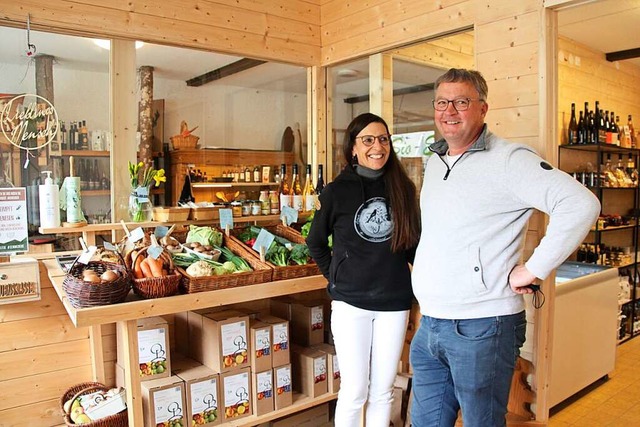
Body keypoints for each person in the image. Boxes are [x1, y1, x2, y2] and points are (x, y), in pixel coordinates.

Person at [410, 68, 600, 427]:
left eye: (461, 102)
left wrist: (533, 269)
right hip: (431, 322)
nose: (449, 111)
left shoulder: (510, 159)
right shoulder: (436, 161)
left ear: (482, 108)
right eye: (442, 102)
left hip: (482, 326)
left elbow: (581, 204)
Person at [306, 112, 420, 427]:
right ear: (354, 147)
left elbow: (413, 247)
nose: (377, 146)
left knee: (383, 391)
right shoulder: (335, 191)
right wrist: (337, 277)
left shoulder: (403, 189)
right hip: (350, 305)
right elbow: (315, 242)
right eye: (368, 140)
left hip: (394, 303)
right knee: (354, 391)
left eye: (383, 139)